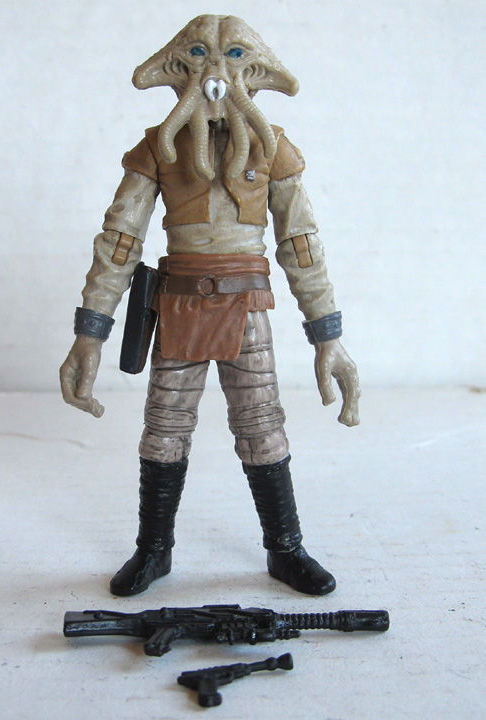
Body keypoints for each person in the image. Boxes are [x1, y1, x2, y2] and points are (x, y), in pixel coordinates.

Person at [60, 14, 360, 597]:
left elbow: (301, 244)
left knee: (263, 428)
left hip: (247, 308)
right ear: (177, 69)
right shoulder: (158, 150)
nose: (218, 71)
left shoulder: (274, 151)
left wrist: (329, 336)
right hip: (178, 310)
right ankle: (154, 548)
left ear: (258, 72)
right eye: (200, 54)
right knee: (163, 430)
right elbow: (119, 241)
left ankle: (285, 547)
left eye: (235, 56)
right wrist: (89, 331)